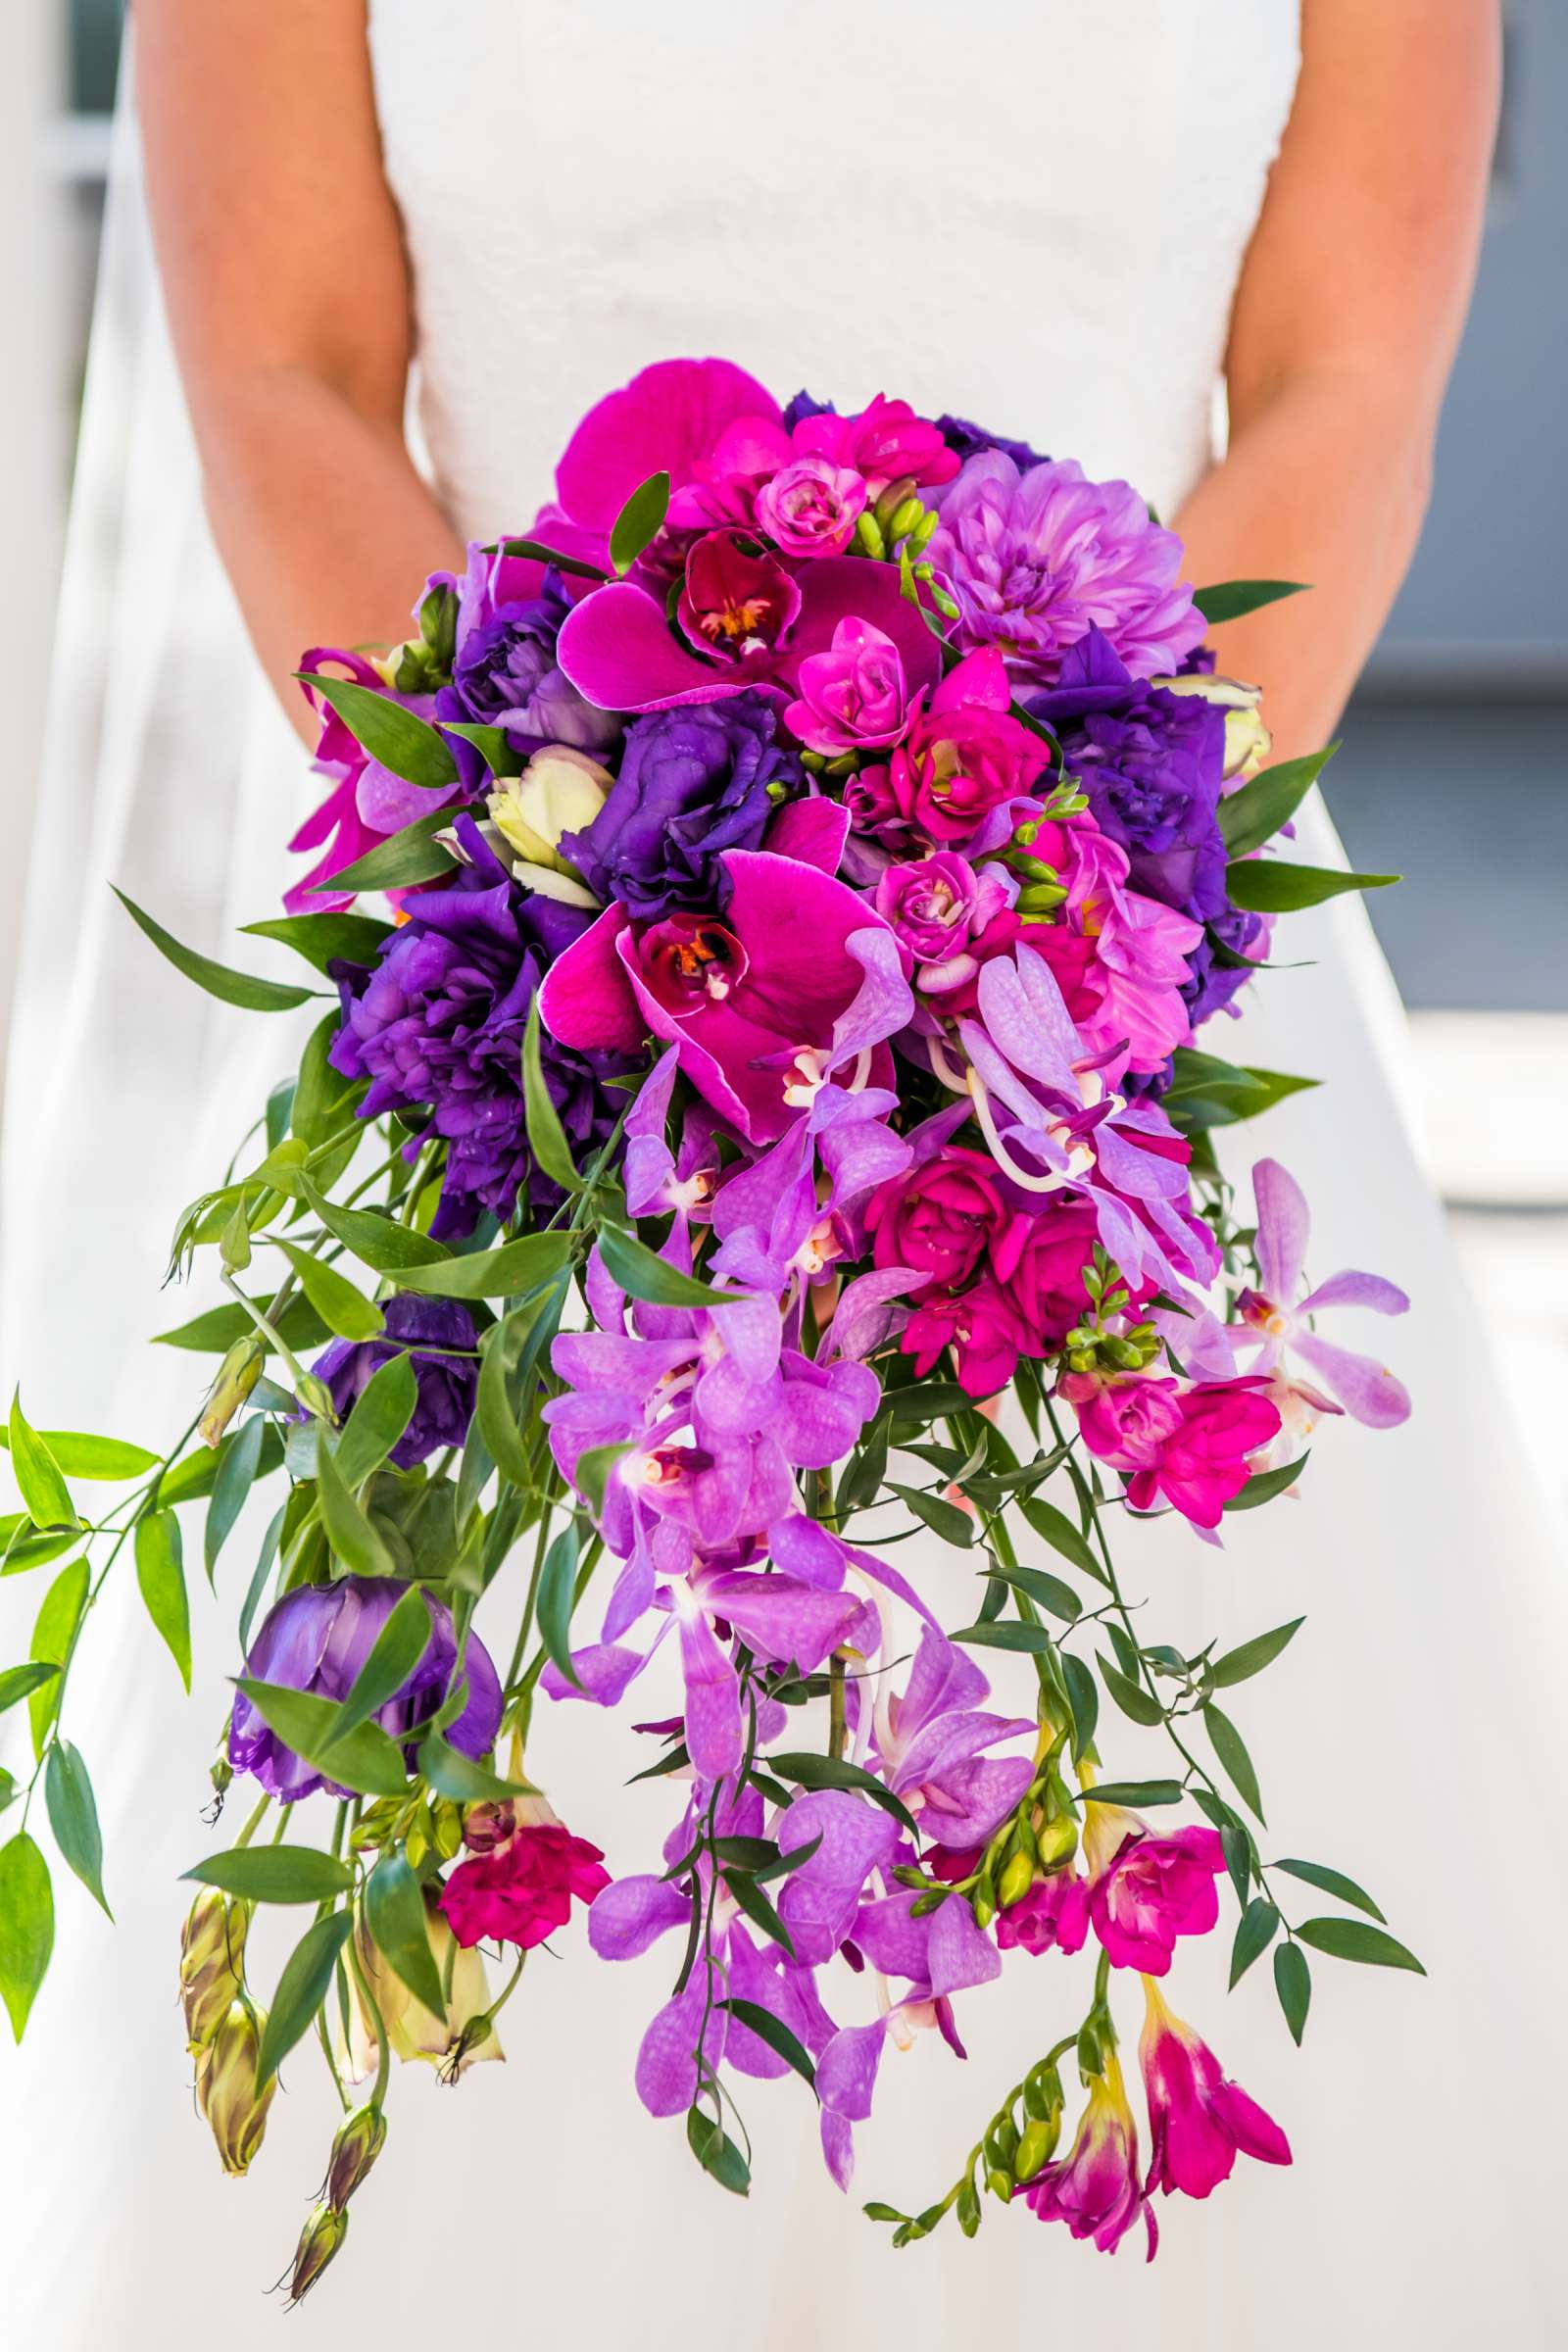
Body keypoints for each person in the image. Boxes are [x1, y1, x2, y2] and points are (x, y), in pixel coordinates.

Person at [3, 4, 1563, 2345]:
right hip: (527, 1014)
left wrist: (1037, 925)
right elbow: (293, 369)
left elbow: (1341, 376)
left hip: (1130, 1014)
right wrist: (565, 901)